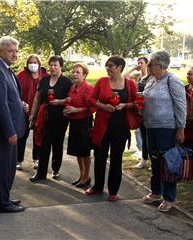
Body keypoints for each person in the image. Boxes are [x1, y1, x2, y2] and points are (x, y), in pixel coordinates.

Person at [86, 56, 138, 202]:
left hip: (121, 127)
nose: (107, 68)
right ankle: (97, 186)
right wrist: (103, 106)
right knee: (100, 157)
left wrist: (125, 105)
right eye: (106, 66)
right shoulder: (102, 82)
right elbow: (90, 99)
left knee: (117, 159)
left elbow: (136, 102)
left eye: (111, 66)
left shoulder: (130, 84)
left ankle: (113, 191)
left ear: (120, 67)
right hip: (103, 126)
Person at [141, 50, 186, 212]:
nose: (148, 67)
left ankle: (169, 197)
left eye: (151, 64)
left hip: (167, 128)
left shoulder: (172, 80)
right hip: (150, 126)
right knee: (155, 161)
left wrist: (181, 129)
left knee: (168, 163)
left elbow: (181, 106)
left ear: (160, 65)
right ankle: (155, 191)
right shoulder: (151, 80)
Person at [0, 36, 27, 213]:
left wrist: (21, 103)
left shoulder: (5, 69)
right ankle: (2, 203)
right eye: (11, 51)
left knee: (9, 166)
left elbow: (10, 99)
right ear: (0, 50)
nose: (14, 54)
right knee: (4, 167)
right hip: (5, 131)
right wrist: (10, 131)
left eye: (16, 51)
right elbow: (0, 104)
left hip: (12, 128)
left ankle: (3, 198)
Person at [29, 55, 73, 182]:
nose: (53, 67)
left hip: (60, 117)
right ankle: (41, 173)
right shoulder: (44, 80)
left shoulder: (66, 82)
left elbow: (71, 99)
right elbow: (37, 98)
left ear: (61, 67)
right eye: (51, 65)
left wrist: (59, 102)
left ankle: (56, 169)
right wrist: (32, 114)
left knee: (57, 144)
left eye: (56, 65)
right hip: (45, 116)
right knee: (44, 144)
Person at [63, 63, 94, 188]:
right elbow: (70, 101)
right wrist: (67, 110)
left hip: (84, 123)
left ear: (85, 75)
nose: (74, 74)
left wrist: (76, 110)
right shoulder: (73, 87)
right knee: (77, 151)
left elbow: (92, 108)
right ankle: (81, 175)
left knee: (85, 151)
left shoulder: (87, 88)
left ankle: (86, 176)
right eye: (74, 72)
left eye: (78, 72)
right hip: (74, 122)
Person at [16, 54, 48, 170]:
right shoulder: (21, 75)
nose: (32, 64)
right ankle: (18, 160)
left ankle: (36, 159)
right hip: (24, 110)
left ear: (39, 64)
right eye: (30, 62)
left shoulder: (45, 76)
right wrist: (21, 103)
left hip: (40, 111)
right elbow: (15, 92)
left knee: (38, 135)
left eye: (35, 62)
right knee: (22, 135)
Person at [124, 56, 150, 168]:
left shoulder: (151, 77)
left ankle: (153, 162)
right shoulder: (138, 76)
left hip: (150, 108)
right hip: (139, 108)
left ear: (147, 64)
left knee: (151, 137)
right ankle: (144, 159)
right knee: (143, 135)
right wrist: (134, 67)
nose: (139, 64)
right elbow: (124, 76)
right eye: (138, 62)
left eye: (141, 63)